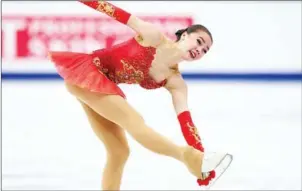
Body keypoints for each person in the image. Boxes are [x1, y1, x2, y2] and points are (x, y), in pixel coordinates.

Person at [48, 0, 232, 190]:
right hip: (87, 72)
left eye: (204, 50)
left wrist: (202, 159)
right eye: (199, 42)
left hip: (101, 86)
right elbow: (114, 12)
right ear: (185, 35)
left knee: (119, 152)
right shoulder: (153, 36)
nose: (199, 50)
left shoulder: (176, 82)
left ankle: (194, 159)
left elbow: (187, 123)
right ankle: (188, 157)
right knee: (134, 120)